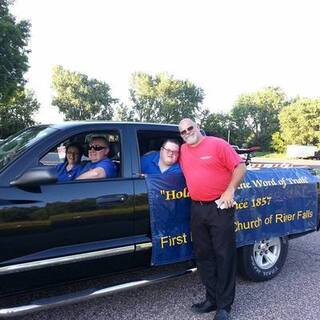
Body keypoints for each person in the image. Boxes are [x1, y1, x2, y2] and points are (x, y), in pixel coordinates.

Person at [178, 118, 246, 320]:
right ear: (181, 135)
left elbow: (240, 167)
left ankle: (224, 307)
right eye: (183, 131)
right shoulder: (182, 150)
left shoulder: (217, 144)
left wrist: (230, 190)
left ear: (197, 127)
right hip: (197, 208)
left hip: (220, 207)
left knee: (224, 255)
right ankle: (212, 299)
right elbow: (164, 157)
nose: (188, 132)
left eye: (190, 128)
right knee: (204, 255)